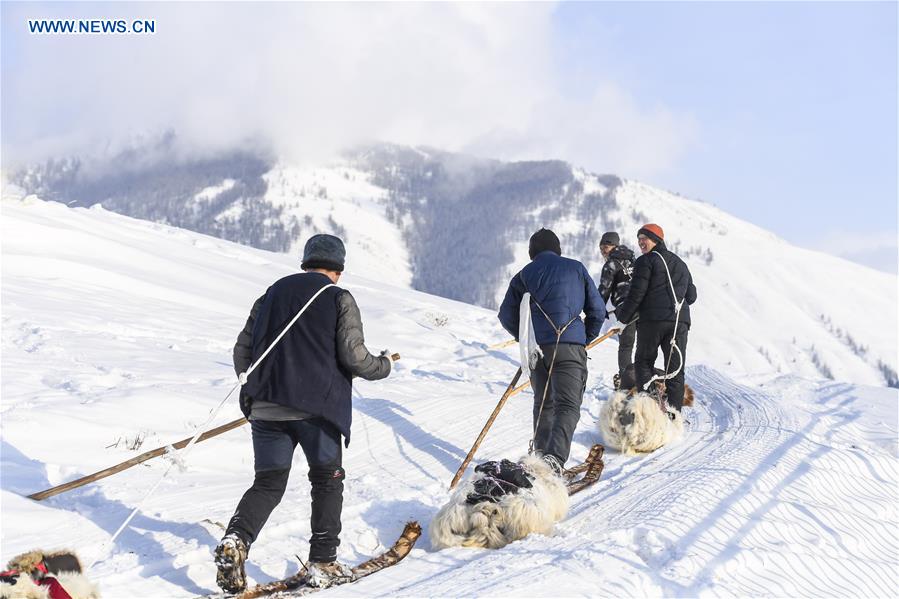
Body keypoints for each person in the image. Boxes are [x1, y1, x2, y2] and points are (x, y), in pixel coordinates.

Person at [215, 234, 393, 594]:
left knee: (267, 484)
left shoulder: (271, 294)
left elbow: (242, 350)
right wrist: (384, 365)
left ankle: (236, 539)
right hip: (318, 411)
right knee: (327, 480)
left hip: (266, 409)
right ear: (338, 269)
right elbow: (354, 356)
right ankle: (323, 562)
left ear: (306, 262)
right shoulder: (339, 297)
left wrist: (256, 387)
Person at [497, 228, 606, 473]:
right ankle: (554, 460)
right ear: (557, 249)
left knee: (543, 403)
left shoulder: (524, 275)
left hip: (537, 351)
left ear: (532, 252)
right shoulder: (576, 268)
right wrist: (583, 339)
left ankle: (539, 457)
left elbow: (505, 315)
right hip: (570, 347)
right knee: (567, 405)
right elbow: (598, 311)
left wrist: (526, 339)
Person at [615, 224, 697, 411]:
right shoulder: (681, 264)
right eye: (639, 239)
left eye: (644, 238)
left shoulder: (645, 261)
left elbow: (636, 294)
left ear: (656, 240)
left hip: (652, 321)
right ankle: (674, 416)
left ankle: (649, 410)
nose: (640, 242)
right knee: (675, 371)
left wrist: (622, 320)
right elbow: (691, 297)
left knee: (643, 363)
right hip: (679, 323)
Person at [597, 231, 637, 379]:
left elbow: (604, 290)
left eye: (605, 247)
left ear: (614, 246)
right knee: (644, 346)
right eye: (601, 248)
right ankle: (643, 378)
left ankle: (626, 380)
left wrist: (596, 310)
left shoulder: (611, 264)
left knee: (626, 345)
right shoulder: (634, 260)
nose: (603, 251)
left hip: (625, 307)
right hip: (643, 306)